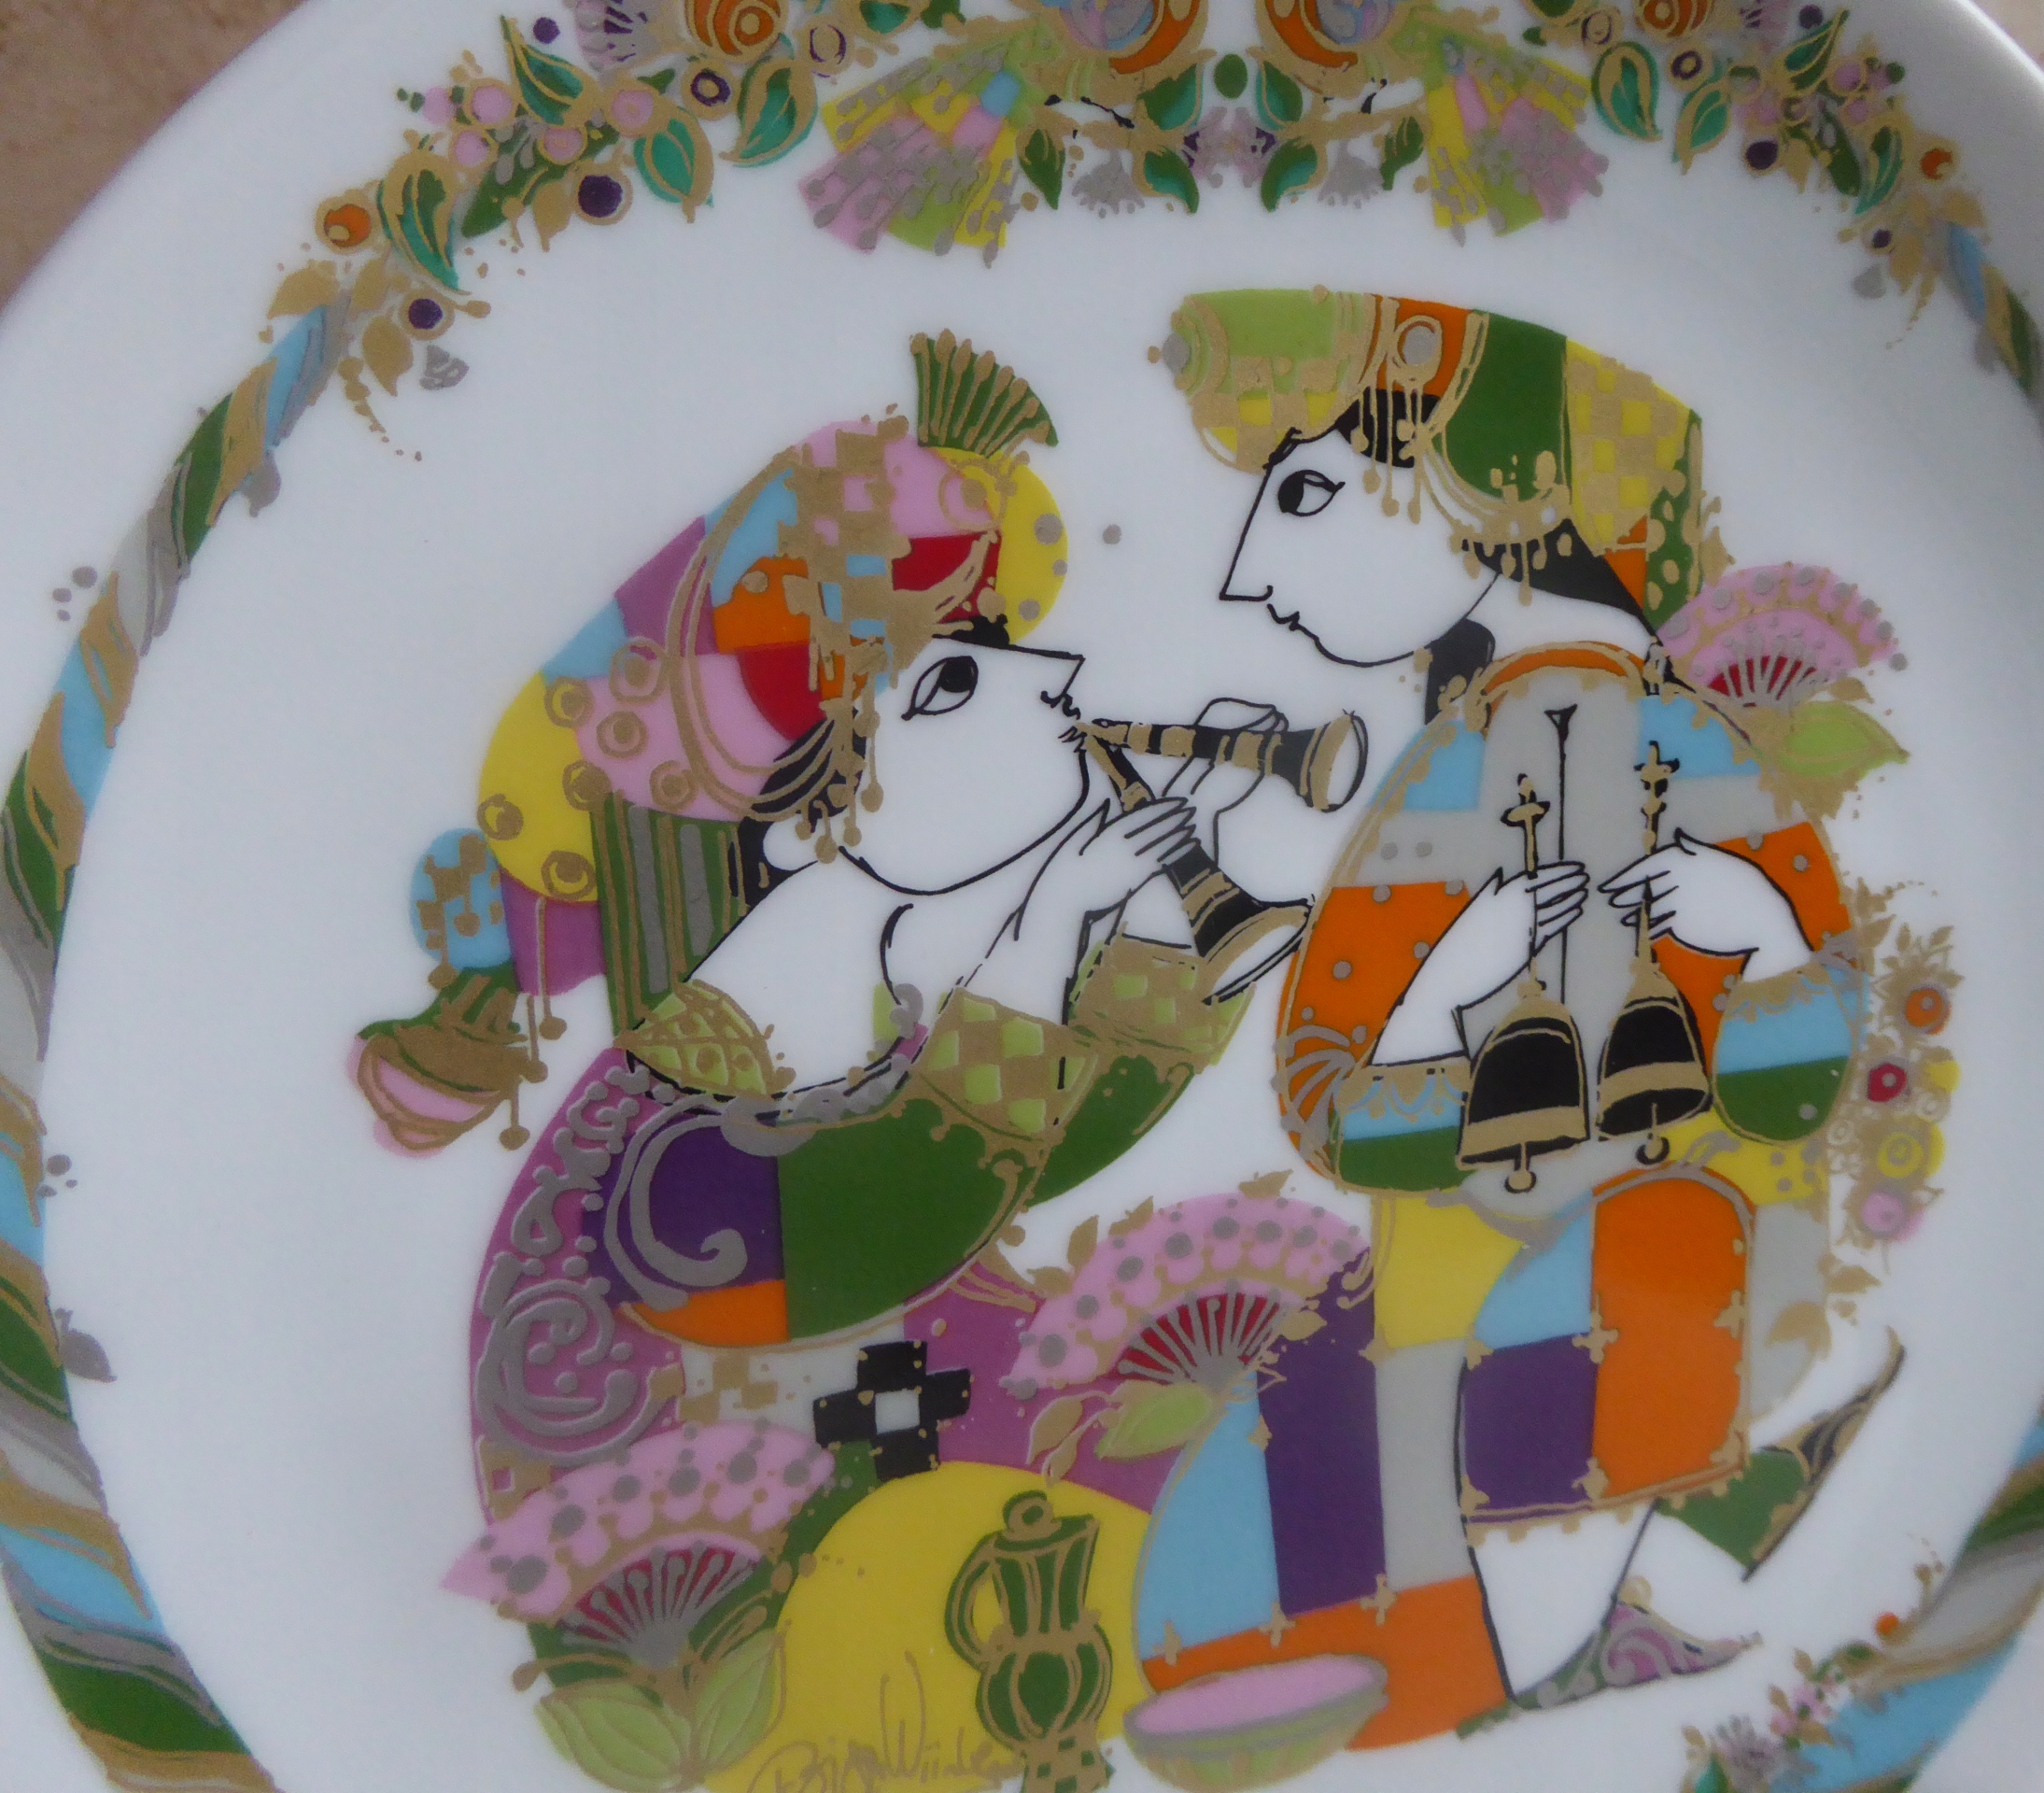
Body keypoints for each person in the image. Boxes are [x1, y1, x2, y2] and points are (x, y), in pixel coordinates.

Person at [410, 336, 1275, 1791]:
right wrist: (1047, 934)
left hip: (865, 1397)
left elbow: (1021, 1157)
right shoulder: (689, 1089)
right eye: (957, 684)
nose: (1064, 688)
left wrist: (1153, 935)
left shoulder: (872, 972)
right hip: (709, 1544)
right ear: (819, 801)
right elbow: (877, 1223)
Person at [1123, 289, 1913, 1739]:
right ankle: (1654, 1551)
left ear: (1477, 489)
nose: (1245, 574)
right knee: (1221, 1576)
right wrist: (1450, 989)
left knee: (1304, 1586)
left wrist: (1754, 928)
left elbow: (1799, 1077)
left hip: (1638, 1279)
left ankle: (1637, 1558)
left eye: (1303, 494)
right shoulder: (1448, 753)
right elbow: (1335, 1102)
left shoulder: (1653, 744)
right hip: (1458, 1275)